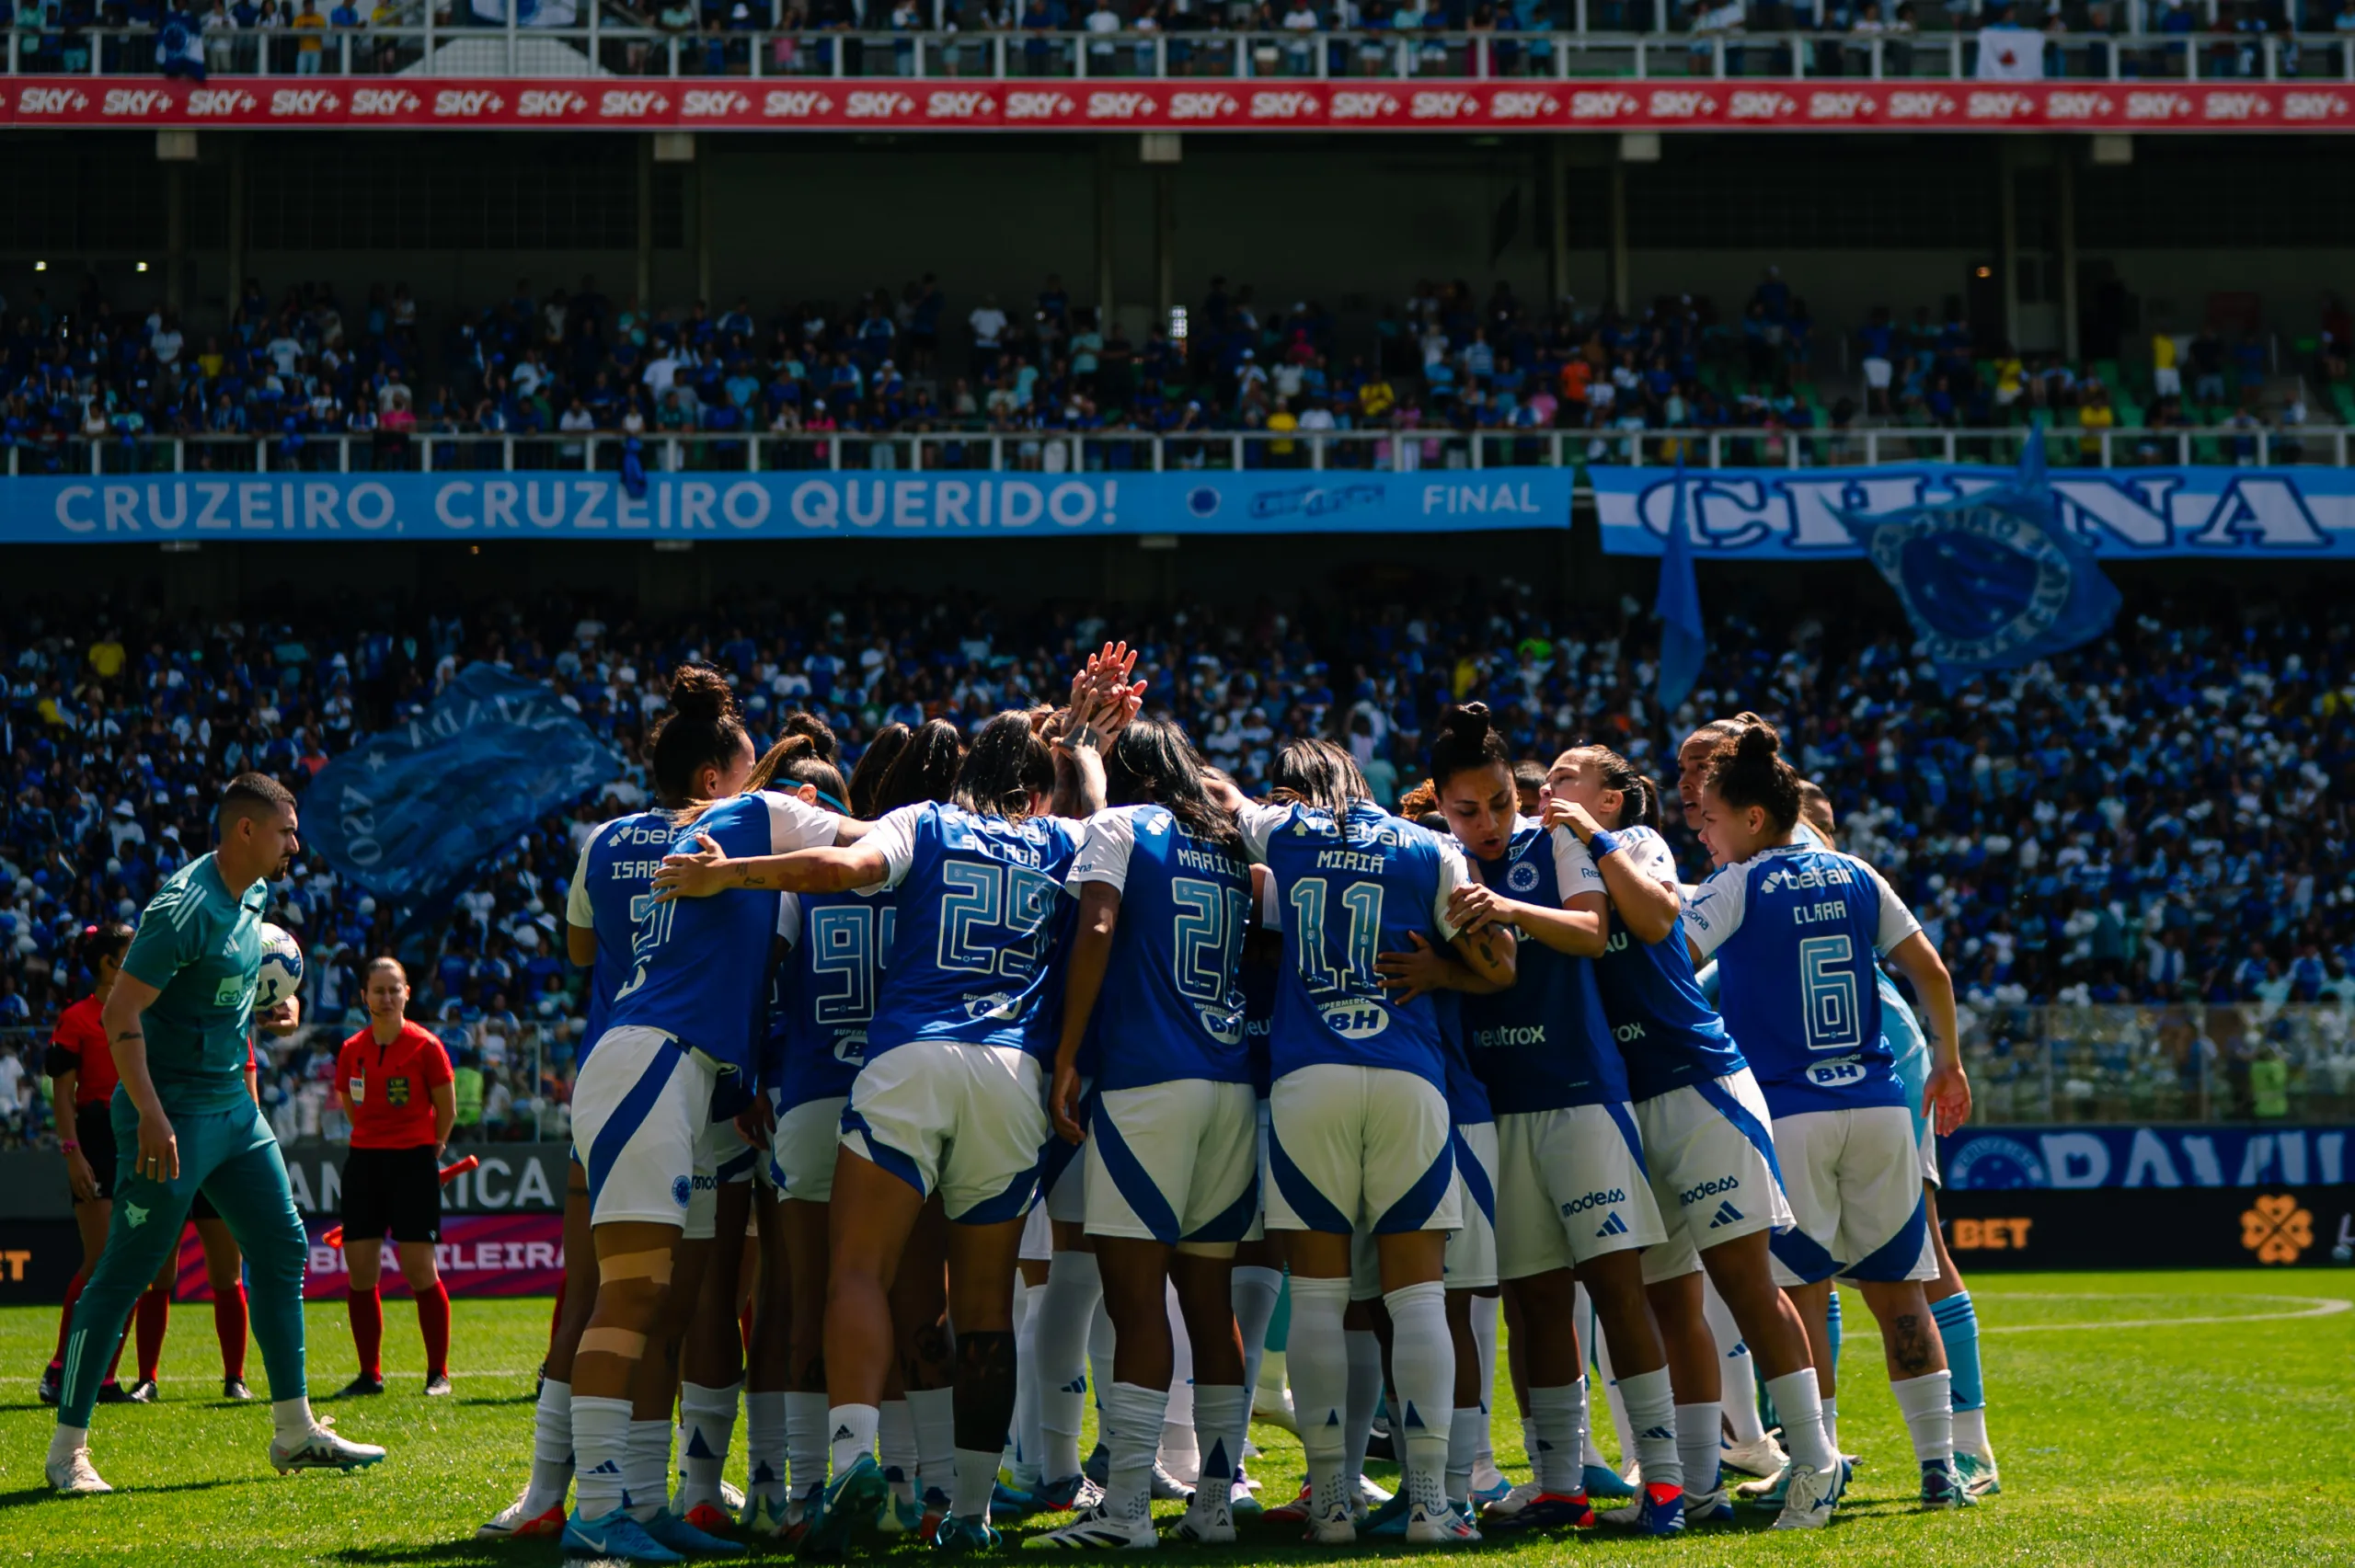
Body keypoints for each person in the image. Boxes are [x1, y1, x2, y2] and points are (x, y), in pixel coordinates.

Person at [651, 647, 1143, 1555]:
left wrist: (733, 875)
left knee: (855, 1269)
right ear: (1038, 790)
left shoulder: (923, 820)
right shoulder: (1060, 836)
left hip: (911, 1060)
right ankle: (968, 1512)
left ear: (966, 775)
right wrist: (1083, 740)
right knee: (986, 1306)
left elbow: (842, 871)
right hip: (1010, 1078)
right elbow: (1100, 817)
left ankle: (849, 1467)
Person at [553, 670, 863, 1563]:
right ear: (733, 774)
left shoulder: (703, 828)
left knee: (674, 1297)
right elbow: (866, 843)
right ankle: (600, 1511)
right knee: (638, 1290)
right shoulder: (766, 811)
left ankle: (642, 1504)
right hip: (654, 1059)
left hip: (668, 1066)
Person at [479, 666, 785, 1543]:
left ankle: (589, 1496)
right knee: (653, 1298)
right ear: (712, 781)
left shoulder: (605, 837)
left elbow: (580, 950)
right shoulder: (734, 837)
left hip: (632, 1066)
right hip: (670, 1075)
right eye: (747, 768)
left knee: (612, 1294)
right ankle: (604, 1506)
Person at [1212, 736, 1517, 1546]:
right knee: (1418, 1298)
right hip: (1410, 1079)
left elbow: (1212, 790)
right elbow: (1499, 961)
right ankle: (1428, 1503)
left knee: (1317, 1299)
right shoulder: (1430, 845)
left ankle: (1333, 1503)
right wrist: (1447, 972)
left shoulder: (1282, 828)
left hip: (1309, 1079)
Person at [47, 773, 385, 1495]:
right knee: (123, 1277)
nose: (296, 843)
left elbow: (215, 997)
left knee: (283, 1244)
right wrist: (151, 1114)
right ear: (245, 831)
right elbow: (120, 1016)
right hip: (169, 1117)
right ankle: (66, 1452)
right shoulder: (180, 907)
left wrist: (270, 1013)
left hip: (234, 1107)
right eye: (287, 830)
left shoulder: (256, 894)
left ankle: (294, 1432)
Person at [1396, 706, 1688, 1535]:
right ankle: (1559, 1479)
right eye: (1467, 810)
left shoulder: (1555, 837)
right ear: (1443, 806)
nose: (1486, 823)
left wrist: (1514, 911)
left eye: (1496, 803)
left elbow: (1594, 935)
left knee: (1617, 1289)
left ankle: (1662, 1482)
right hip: (1500, 1107)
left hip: (1581, 1094)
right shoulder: (1438, 857)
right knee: (1533, 1301)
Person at [1543, 743, 1845, 1531]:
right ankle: (1699, 1479)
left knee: (1745, 1283)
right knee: (1671, 1298)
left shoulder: (1638, 844)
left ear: (1613, 798)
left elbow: (1652, 921)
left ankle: (1816, 1464)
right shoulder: (1550, 864)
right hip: (1633, 1101)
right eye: (1547, 776)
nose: (1550, 785)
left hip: (1699, 1082)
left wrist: (1597, 840)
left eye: (1567, 775)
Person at [1683, 721, 1975, 1521]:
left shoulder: (1737, 886)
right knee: (1904, 1297)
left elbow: (1668, 959)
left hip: (1791, 1114)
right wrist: (1948, 1060)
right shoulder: (1855, 873)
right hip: (1880, 1107)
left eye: (1708, 819)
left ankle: (1819, 1461)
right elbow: (1931, 970)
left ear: (1749, 818)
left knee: (1803, 1297)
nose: (1702, 834)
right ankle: (1939, 1466)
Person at [741, 721, 963, 1540]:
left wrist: (749, 1077)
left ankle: (807, 1497)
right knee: (917, 1308)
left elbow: (760, 985)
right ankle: (924, 1492)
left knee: (811, 1302)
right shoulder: (923, 875)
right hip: (898, 1103)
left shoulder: (799, 888)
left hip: (805, 1099)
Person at [1039, 720, 1257, 1549]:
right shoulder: (1228, 843)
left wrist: (1066, 1054)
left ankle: (1126, 1508)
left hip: (1146, 1079)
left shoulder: (1122, 826)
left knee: (1135, 1300)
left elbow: (1096, 928)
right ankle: (1214, 1503)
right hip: (1228, 1081)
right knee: (1208, 1302)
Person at [1795, 782, 1999, 1498]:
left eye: (1704, 769)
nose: (1691, 786)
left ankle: (1965, 1448)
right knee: (1810, 1267)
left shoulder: (1788, 866)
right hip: (1849, 1076)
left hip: (1881, 1067)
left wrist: (1948, 1059)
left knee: (1915, 1259)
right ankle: (1818, 1452)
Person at [333, 956, 456, 1400]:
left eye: (394, 989)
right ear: (363, 996)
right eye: (378, 990)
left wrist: (430, 1149)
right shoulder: (352, 1049)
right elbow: (351, 1106)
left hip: (413, 1165)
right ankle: (370, 1375)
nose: (386, 998)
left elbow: (448, 1109)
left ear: (407, 993)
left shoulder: (426, 1046)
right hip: (364, 1163)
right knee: (362, 1272)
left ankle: (437, 1374)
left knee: (420, 1270)